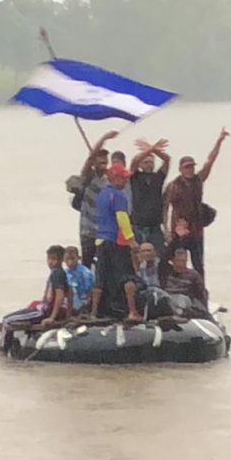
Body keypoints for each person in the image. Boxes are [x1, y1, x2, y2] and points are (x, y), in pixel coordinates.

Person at [163, 127, 230, 281]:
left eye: (192, 166)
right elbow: (165, 208)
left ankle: (200, 294)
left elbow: (210, 161)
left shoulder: (198, 180)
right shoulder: (173, 186)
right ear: (180, 169)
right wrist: (166, 230)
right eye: (187, 167)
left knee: (199, 264)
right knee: (175, 260)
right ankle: (175, 286)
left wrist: (219, 141)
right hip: (179, 230)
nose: (190, 169)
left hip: (196, 229)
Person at [0, 245, 71, 356]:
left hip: (43, 311)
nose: (51, 262)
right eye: (49, 259)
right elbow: (70, 293)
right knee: (9, 319)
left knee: (7, 319)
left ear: (61, 260)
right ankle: (2, 345)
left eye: (54, 259)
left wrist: (52, 317)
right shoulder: (60, 273)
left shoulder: (57, 274)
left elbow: (60, 296)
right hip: (42, 308)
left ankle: (1, 350)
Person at [89, 162, 143, 322]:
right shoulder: (119, 196)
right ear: (115, 178)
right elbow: (122, 218)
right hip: (117, 241)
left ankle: (94, 312)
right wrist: (131, 239)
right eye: (123, 178)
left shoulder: (102, 195)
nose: (126, 181)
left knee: (101, 278)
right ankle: (132, 311)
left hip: (101, 240)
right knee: (128, 276)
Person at [72, 131, 119, 268]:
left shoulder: (109, 180)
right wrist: (103, 138)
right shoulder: (89, 176)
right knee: (87, 262)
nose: (103, 164)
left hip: (103, 230)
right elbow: (90, 158)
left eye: (105, 161)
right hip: (88, 229)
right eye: (100, 161)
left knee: (105, 264)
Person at [129, 138, 170, 254]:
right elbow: (134, 161)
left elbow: (167, 160)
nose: (149, 164)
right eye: (146, 162)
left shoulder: (158, 177)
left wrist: (154, 149)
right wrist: (150, 149)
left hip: (155, 226)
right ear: (141, 164)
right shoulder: (135, 177)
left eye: (151, 162)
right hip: (138, 225)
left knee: (161, 255)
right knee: (136, 255)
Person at [164, 247, 209, 318]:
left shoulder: (193, 275)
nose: (181, 262)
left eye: (183, 260)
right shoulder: (166, 273)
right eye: (178, 260)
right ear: (172, 260)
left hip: (187, 301)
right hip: (169, 300)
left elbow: (201, 293)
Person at [63, 245, 94, 313]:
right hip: (68, 301)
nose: (70, 262)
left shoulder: (85, 273)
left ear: (79, 258)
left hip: (81, 303)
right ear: (63, 259)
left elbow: (90, 292)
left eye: (73, 259)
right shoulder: (65, 272)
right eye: (67, 259)